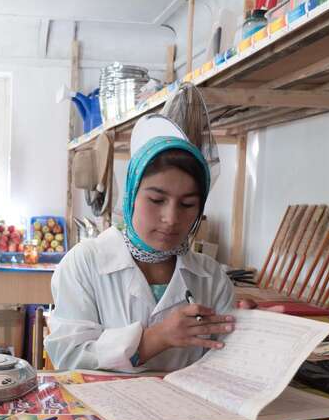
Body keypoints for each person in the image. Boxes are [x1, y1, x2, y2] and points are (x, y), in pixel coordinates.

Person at [46, 115, 241, 372]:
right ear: (131, 196)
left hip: (187, 411)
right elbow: (69, 358)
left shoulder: (211, 276)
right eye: (157, 200)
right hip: (105, 408)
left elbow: (229, 362)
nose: (171, 218)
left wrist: (251, 329)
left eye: (187, 205)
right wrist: (156, 339)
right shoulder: (85, 262)